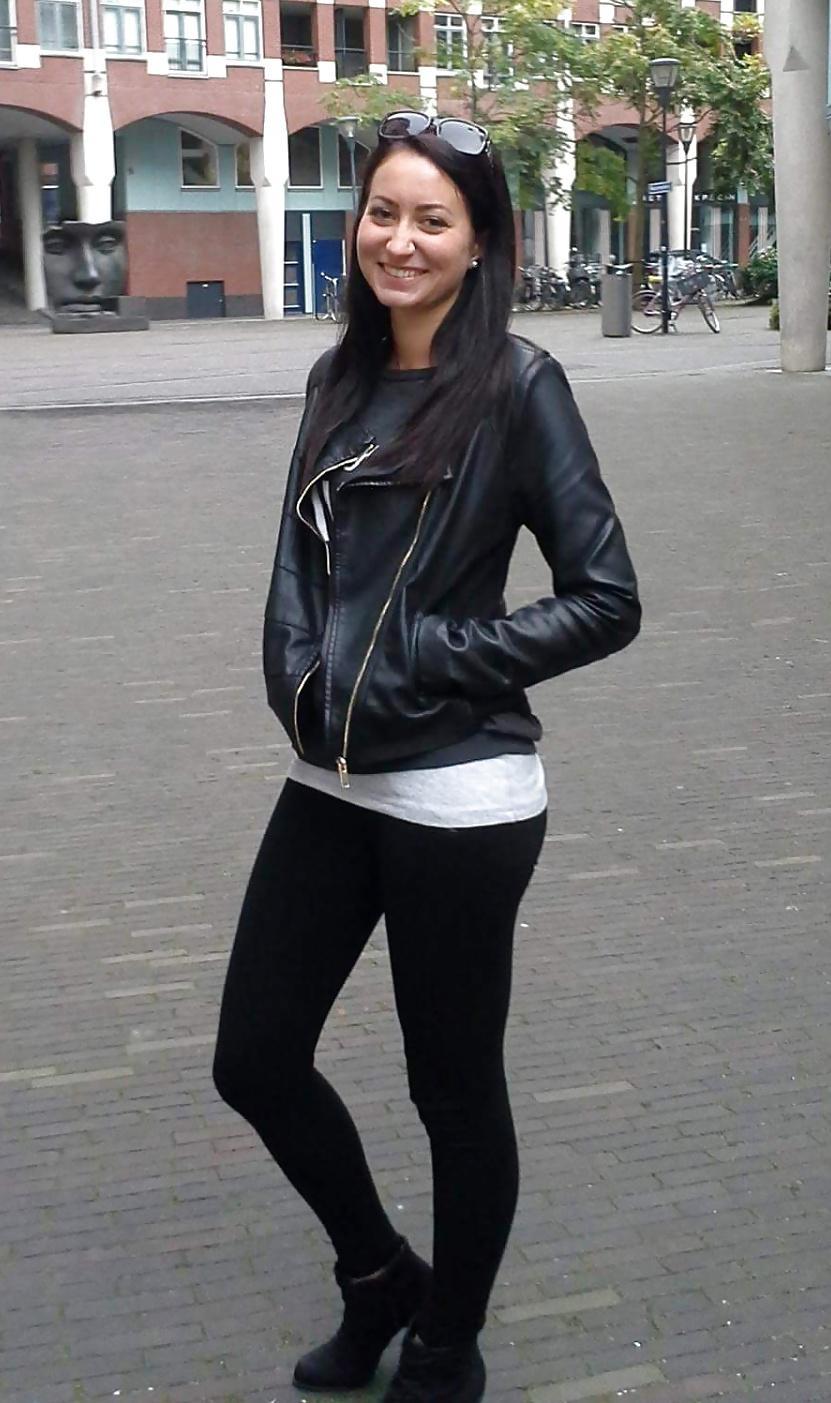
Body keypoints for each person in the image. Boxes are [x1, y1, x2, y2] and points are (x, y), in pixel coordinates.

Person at [213, 110, 641, 1403]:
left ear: (481, 243)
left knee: (450, 1088)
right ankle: (378, 1277)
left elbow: (606, 598)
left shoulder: (517, 385)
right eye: (383, 214)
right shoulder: (335, 379)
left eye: (432, 221)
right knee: (255, 1058)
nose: (400, 241)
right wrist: (293, 671)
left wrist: (430, 657)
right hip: (331, 776)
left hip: (460, 794)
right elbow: (298, 564)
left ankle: (449, 1339)